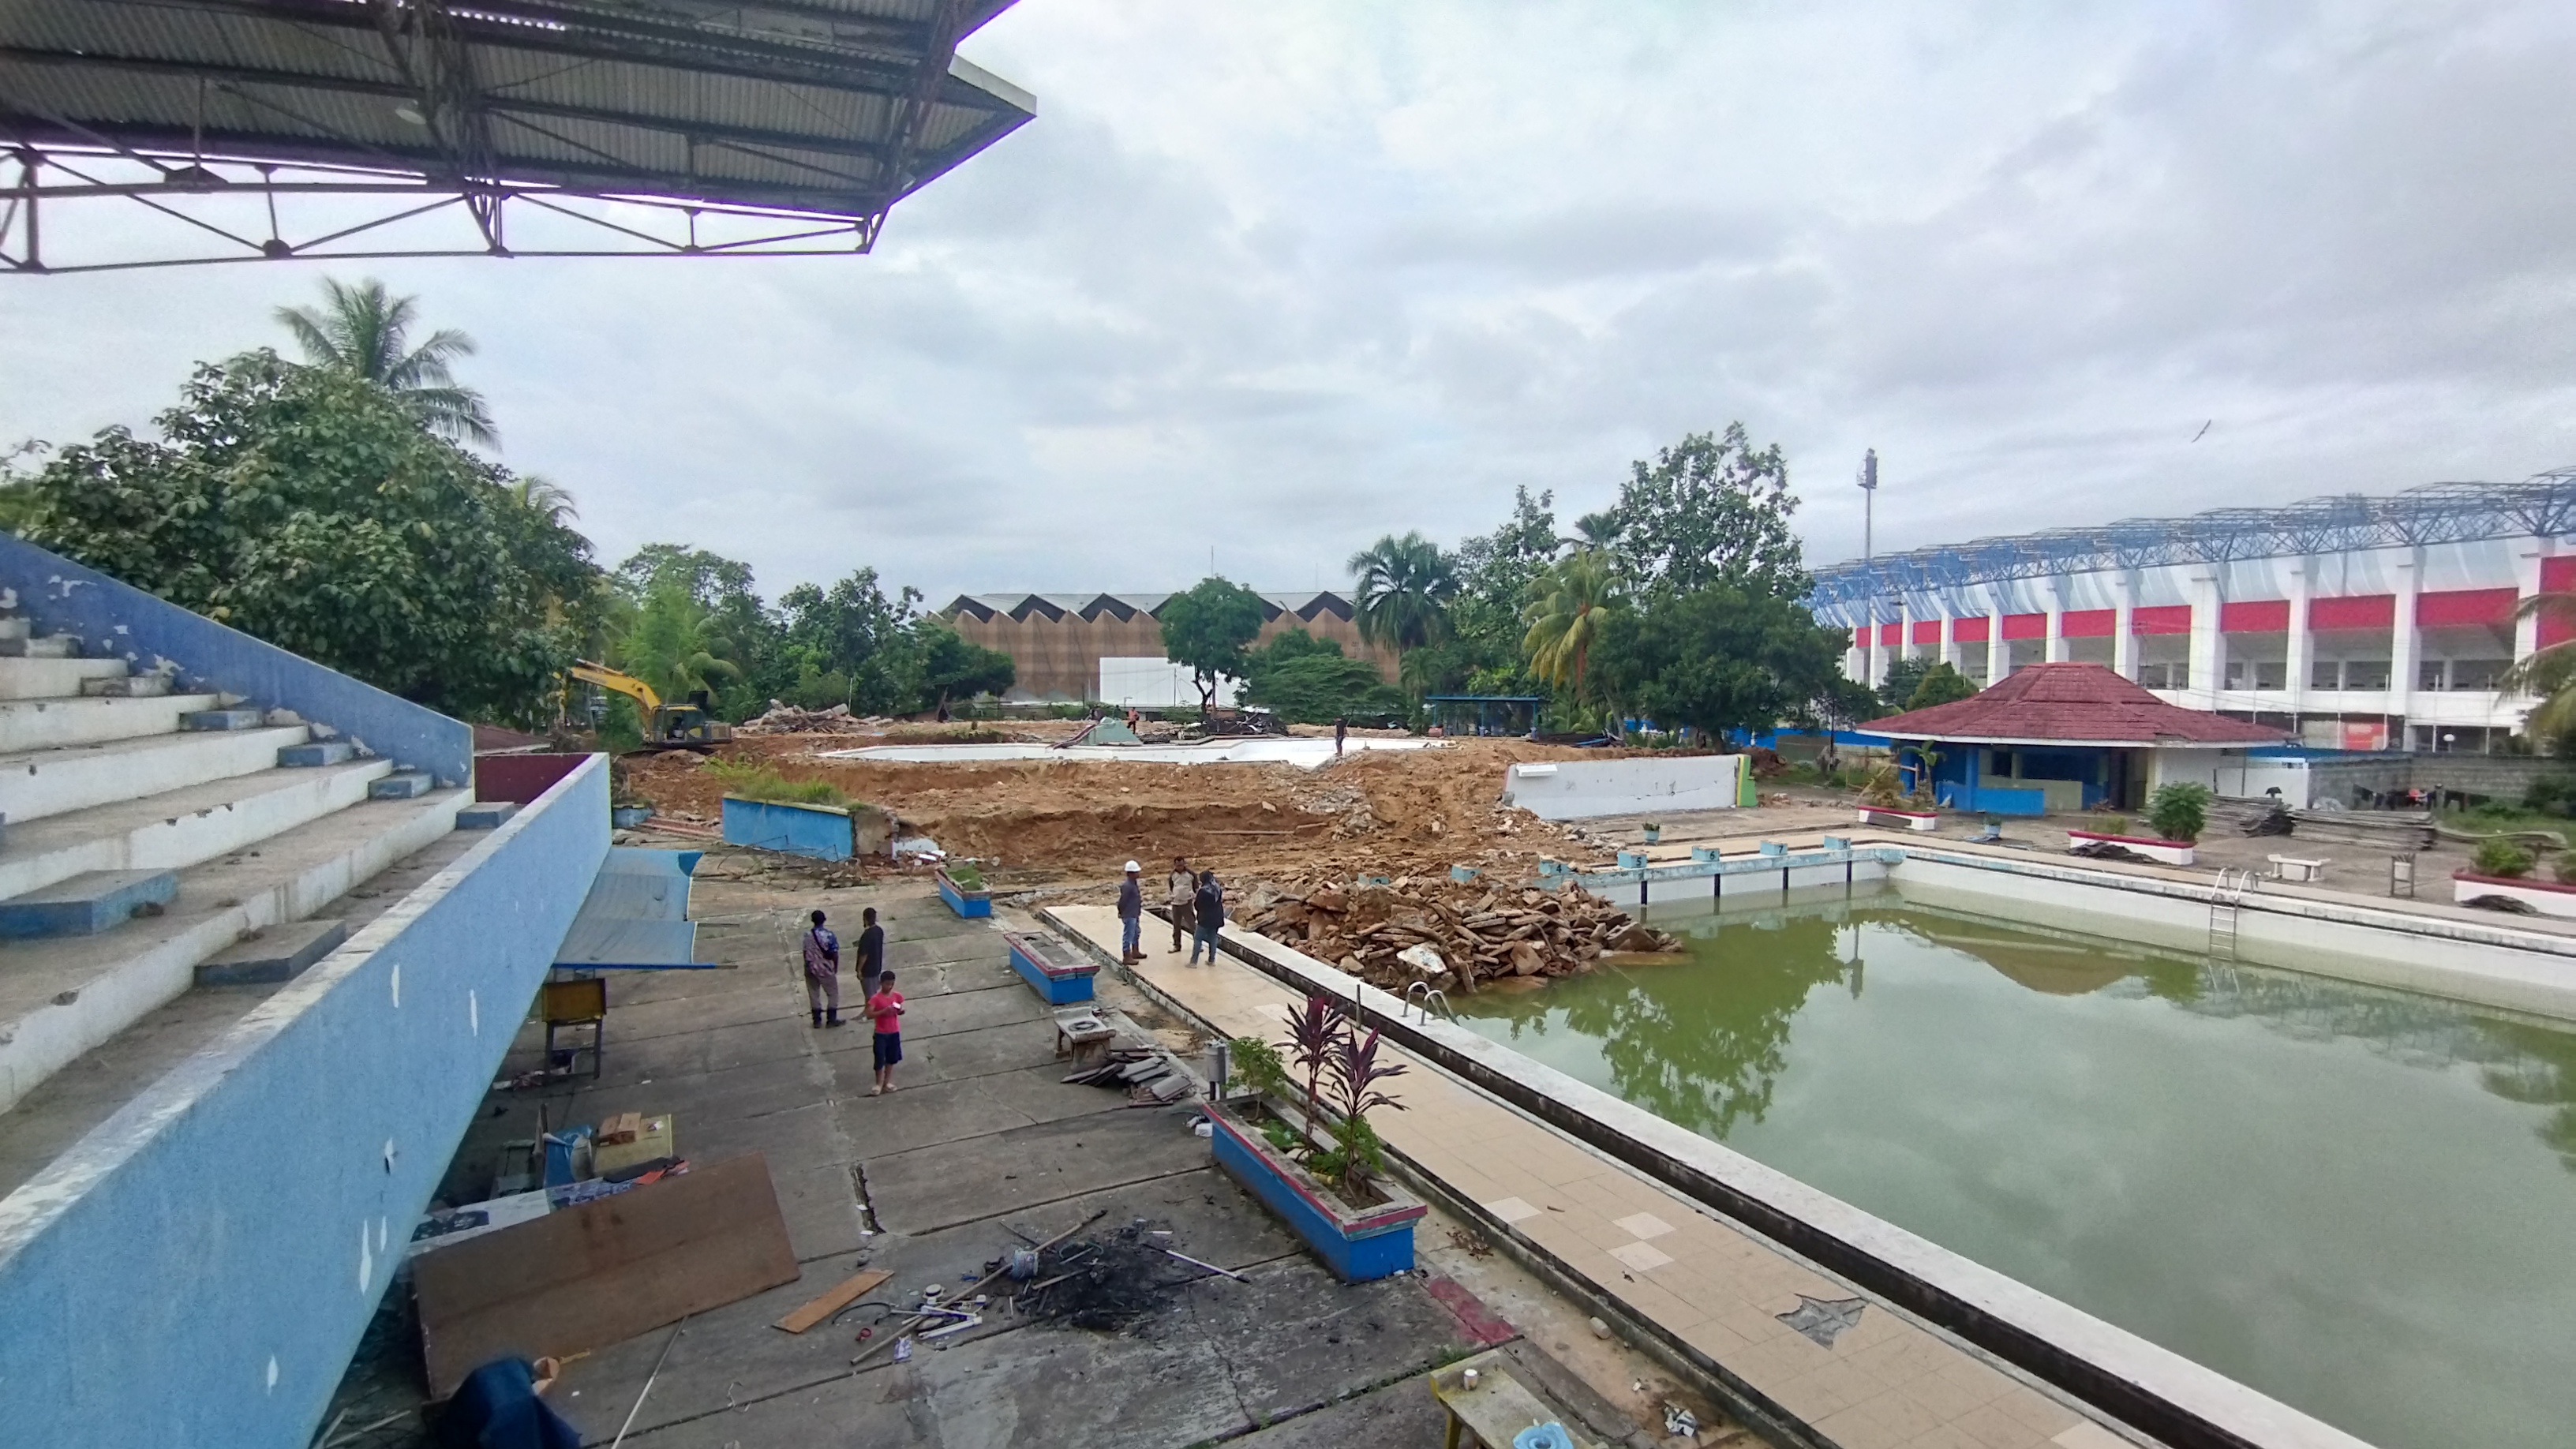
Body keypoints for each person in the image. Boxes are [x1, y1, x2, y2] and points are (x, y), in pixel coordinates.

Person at [867, 971, 905, 1095]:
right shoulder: (876, 999)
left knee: (891, 1058)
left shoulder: (897, 996)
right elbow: (869, 1014)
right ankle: (878, 1083)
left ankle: (886, 1082)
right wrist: (883, 1011)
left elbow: (900, 1009)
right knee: (879, 1058)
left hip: (894, 1031)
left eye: (891, 984)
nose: (889, 987)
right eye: (887, 984)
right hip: (881, 1033)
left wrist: (899, 1011)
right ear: (881, 983)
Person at [802, 909, 841, 1028]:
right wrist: (835, 967)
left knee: (814, 993)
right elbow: (834, 953)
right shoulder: (829, 935)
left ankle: (817, 1020)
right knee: (832, 993)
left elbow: (805, 952)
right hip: (824, 967)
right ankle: (831, 1019)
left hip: (810, 967)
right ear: (824, 920)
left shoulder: (807, 936)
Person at [1188, 868, 1225, 965]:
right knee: (1213, 938)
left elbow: (1198, 906)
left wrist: (1194, 899)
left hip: (1205, 919)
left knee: (1198, 938)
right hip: (1217, 918)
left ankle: (1193, 962)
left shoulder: (1203, 891)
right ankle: (1211, 960)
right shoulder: (1217, 888)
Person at [1116, 860, 1145, 964]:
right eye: (1136, 872)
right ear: (1130, 873)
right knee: (1129, 934)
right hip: (1129, 914)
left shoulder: (1133, 884)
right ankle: (1127, 956)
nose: (1138, 874)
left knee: (1136, 932)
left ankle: (1135, 951)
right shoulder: (1127, 886)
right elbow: (1123, 900)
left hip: (1134, 913)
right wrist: (1121, 911)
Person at [856, 905, 886, 1002]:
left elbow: (864, 954)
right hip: (877, 967)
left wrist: (859, 969)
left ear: (865, 919)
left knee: (870, 996)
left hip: (868, 970)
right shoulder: (879, 931)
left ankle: (871, 1013)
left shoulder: (866, 935)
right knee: (874, 992)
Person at [1166, 855, 1196, 955]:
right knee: (1176, 925)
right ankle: (1177, 945)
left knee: (1192, 924)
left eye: (1182, 865)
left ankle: (1197, 944)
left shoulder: (1190, 874)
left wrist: (1193, 894)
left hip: (1187, 903)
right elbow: (1171, 886)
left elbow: (1196, 885)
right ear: (1175, 865)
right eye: (1178, 866)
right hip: (1176, 904)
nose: (1180, 867)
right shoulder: (1172, 875)